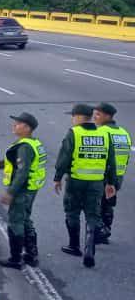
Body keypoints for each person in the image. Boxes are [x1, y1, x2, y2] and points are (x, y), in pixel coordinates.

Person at [54, 104, 117, 268]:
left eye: (73, 116)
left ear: (79, 117)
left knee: (72, 211)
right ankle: (90, 248)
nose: (71, 119)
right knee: (92, 214)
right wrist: (111, 183)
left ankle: (74, 246)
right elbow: (111, 162)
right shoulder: (104, 135)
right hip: (97, 182)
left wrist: (57, 178)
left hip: (76, 181)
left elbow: (64, 158)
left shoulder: (74, 133)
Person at [0, 112, 47, 269]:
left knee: (15, 222)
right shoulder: (33, 143)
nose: (14, 125)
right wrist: (0, 164)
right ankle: (31, 255)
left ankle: (15, 259)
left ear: (27, 128)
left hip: (22, 190)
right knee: (25, 219)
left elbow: (22, 172)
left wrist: (10, 192)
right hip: (31, 189)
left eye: (18, 123)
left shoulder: (25, 147)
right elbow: (19, 163)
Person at [93, 102, 130, 245]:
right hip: (118, 176)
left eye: (98, 114)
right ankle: (106, 232)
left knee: (95, 205)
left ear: (108, 116)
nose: (94, 117)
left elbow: (102, 156)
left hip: (103, 176)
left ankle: (100, 231)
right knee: (108, 204)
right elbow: (126, 157)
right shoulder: (123, 132)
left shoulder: (102, 132)